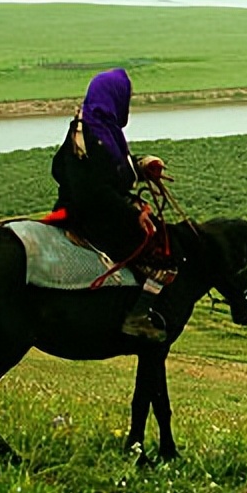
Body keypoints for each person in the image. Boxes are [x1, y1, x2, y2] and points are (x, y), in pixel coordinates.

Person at [50, 68, 174, 342]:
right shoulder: (90, 134)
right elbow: (94, 189)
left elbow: (109, 170)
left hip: (101, 208)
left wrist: (142, 165)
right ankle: (136, 316)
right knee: (159, 256)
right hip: (93, 215)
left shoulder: (99, 126)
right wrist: (132, 214)